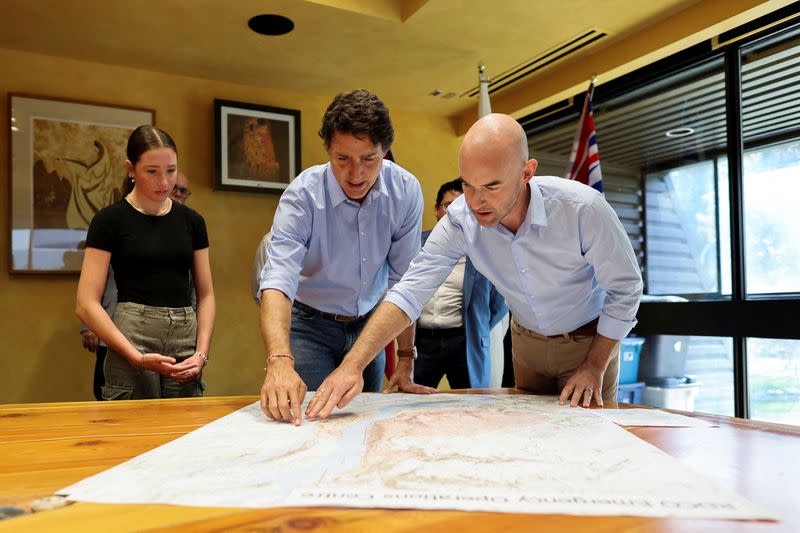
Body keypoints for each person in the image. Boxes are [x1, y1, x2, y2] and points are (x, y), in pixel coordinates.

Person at [305, 113, 643, 420]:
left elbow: (626, 289)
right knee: (532, 438)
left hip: (589, 341)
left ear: (527, 172)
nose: (477, 202)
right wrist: (352, 366)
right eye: (468, 185)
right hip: (526, 344)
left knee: (589, 445)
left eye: (492, 186)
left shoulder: (582, 209)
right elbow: (409, 291)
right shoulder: (460, 220)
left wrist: (595, 365)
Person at [257, 89, 433, 424]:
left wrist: (407, 357)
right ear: (328, 150)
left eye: (369, 159)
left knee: (364, 424)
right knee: (304, 422)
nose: (355, 174)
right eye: (342, 159)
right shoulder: (302, 195)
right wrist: (279, 359)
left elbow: (405, 283)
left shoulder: (406, 191)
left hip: (371, 323)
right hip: (309, 327)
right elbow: (278, 279)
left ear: (385, 152)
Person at [76, 126, 215, 400]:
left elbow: (207, 294)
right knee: (132, 431)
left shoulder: (193, 222)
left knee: (183, 431)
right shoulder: (109, 221)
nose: (164, 182)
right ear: (131, 168)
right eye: (152, 171)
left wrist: (201, 354)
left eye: (171, 170)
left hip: (185, 338)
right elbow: (85, 303)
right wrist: (135, 357)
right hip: (130, 336)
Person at [80, 172, 195, 400]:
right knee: (120, 395)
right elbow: (98, 282)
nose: (178, 193)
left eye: (183, 190)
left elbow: (191, 286)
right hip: (116, 325)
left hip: (177, 332)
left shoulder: (187, 225)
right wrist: (88, 325)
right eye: (176, 189)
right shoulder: (117, 221)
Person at [414, 178, 507, 389]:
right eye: (448, 206)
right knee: (411, 405)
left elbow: (499, 303)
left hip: (465, 343)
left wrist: (478, 326)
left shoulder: (484, 250)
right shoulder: (416, 244)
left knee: (470, 408)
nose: (454, 212)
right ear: (437, 209)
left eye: (462, 207)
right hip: (422, 342)